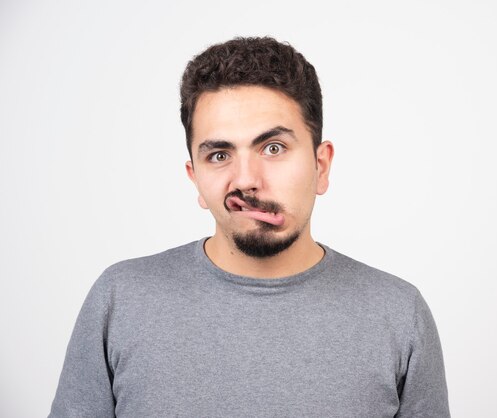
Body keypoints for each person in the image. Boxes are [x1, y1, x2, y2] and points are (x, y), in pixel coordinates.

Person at [49, 37, 450, 417]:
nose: (245, 180)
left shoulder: (399, 314)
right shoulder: (119, 300)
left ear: (320, 165)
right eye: (219, 154)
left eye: (273, 148)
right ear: (196, 181)